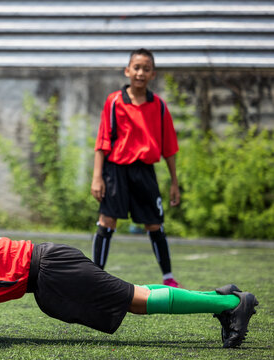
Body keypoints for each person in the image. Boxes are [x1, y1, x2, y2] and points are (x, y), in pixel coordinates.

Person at [0, 234, 258, 349]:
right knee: (136, 299)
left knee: (136, 300)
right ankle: (221, 298)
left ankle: (231, 302)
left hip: (54, 269)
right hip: (49, 276)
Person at [91, 48, 181, 287]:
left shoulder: (159, 106)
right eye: (137, 68)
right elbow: (102, 142)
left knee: (154, 224)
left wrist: (174, 182)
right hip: (115, 170)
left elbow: (169, 147)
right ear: (127, 71)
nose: (141, 73)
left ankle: (168, 277)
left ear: (153, 74)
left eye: (146, 69)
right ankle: (94, 278)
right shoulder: (114, 101)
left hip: (145, 173)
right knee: (107, 221)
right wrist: (97, 177)